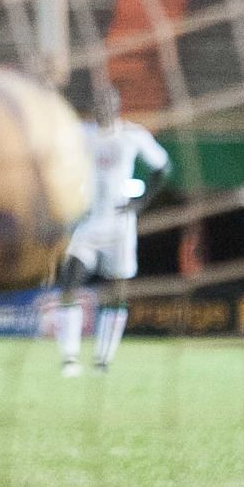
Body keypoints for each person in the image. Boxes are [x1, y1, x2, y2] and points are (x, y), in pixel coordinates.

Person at [56, 83, 170, 377]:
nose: (104, 106)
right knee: (70, 279)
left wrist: (140, 203)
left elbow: (163, 168)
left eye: (110, 101)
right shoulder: (82, 135)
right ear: (94, 106)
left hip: (120, 227)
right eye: (100, 101)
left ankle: (102, 361)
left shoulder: (132, 136)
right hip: (88, 223)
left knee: (116, 292)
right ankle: (69, 359)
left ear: (118, 106)